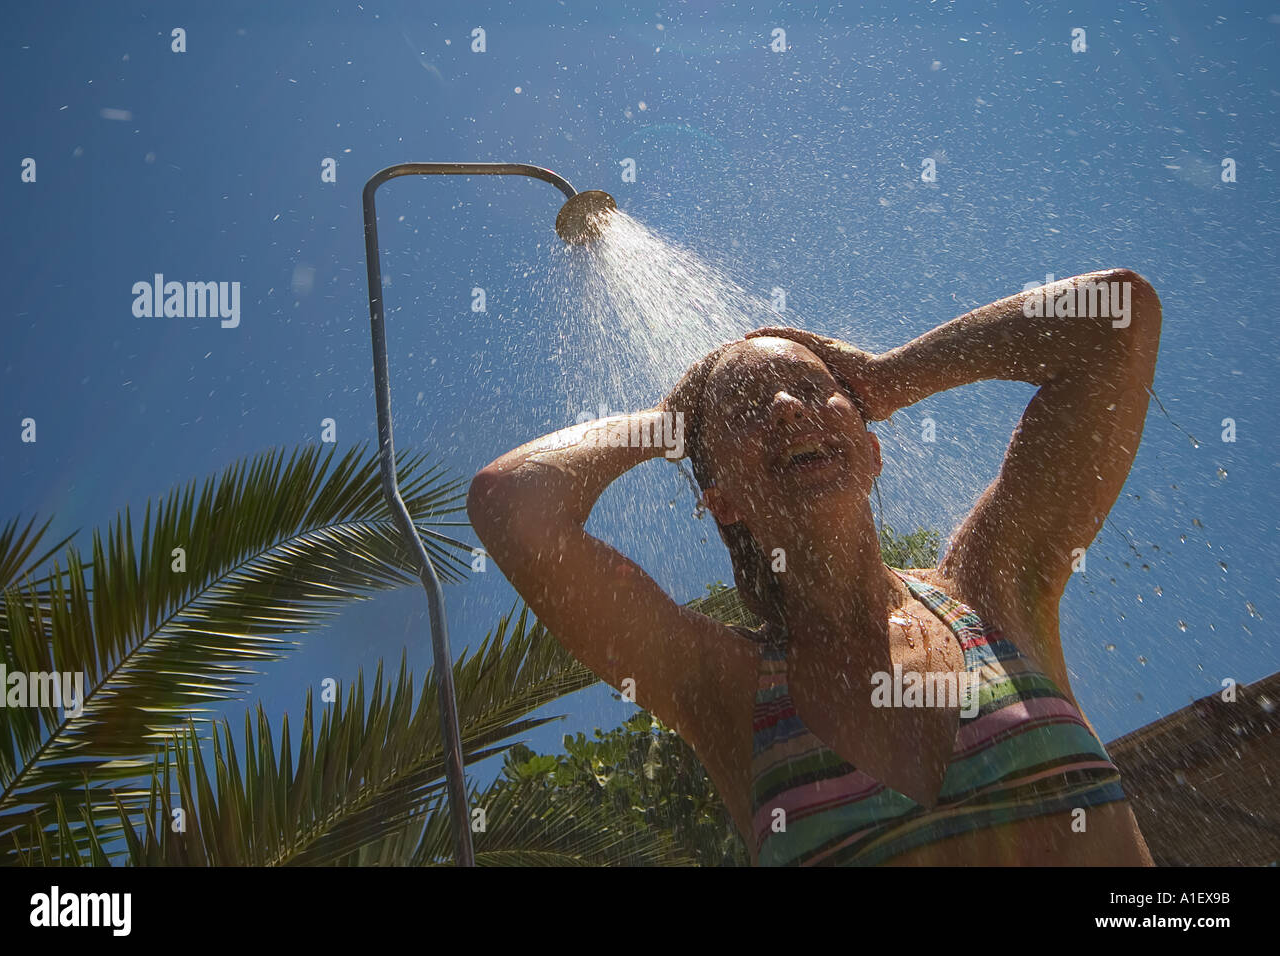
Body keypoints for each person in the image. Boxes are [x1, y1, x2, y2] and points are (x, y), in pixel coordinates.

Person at [468, 269, 1159, 866]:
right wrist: (664, 422)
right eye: (743, 410)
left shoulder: (992, 591)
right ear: (724, 502)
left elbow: (1116, 316)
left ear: (873, 447)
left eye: (811, 385)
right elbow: (510, 504)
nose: (786, 406)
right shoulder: (722, 688)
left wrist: (891, 376)